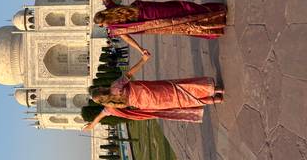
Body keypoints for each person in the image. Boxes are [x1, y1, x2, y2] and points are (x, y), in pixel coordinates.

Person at [83, 53, 223, 130]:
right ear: (101, 89)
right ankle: (216, 90)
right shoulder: (114, 87)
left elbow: (102, 114)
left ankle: (215, 99)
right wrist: (143, 60)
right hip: (152, 90)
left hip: (150, 104)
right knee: (180, 89)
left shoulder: (112, 106)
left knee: (181, 101)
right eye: (99, 88)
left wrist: (92, 125)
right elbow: (129, 74)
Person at [75, 0, 227, 42]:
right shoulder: (112, 8)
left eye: (102, 24)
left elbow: (127, 39)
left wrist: (141, 51)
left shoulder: (116, 26)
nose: (104, 26)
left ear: (105, 20)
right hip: (150, 9)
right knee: (182, 8)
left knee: (182, 23)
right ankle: (215, 11)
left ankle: (215, 24)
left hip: (153, 23)